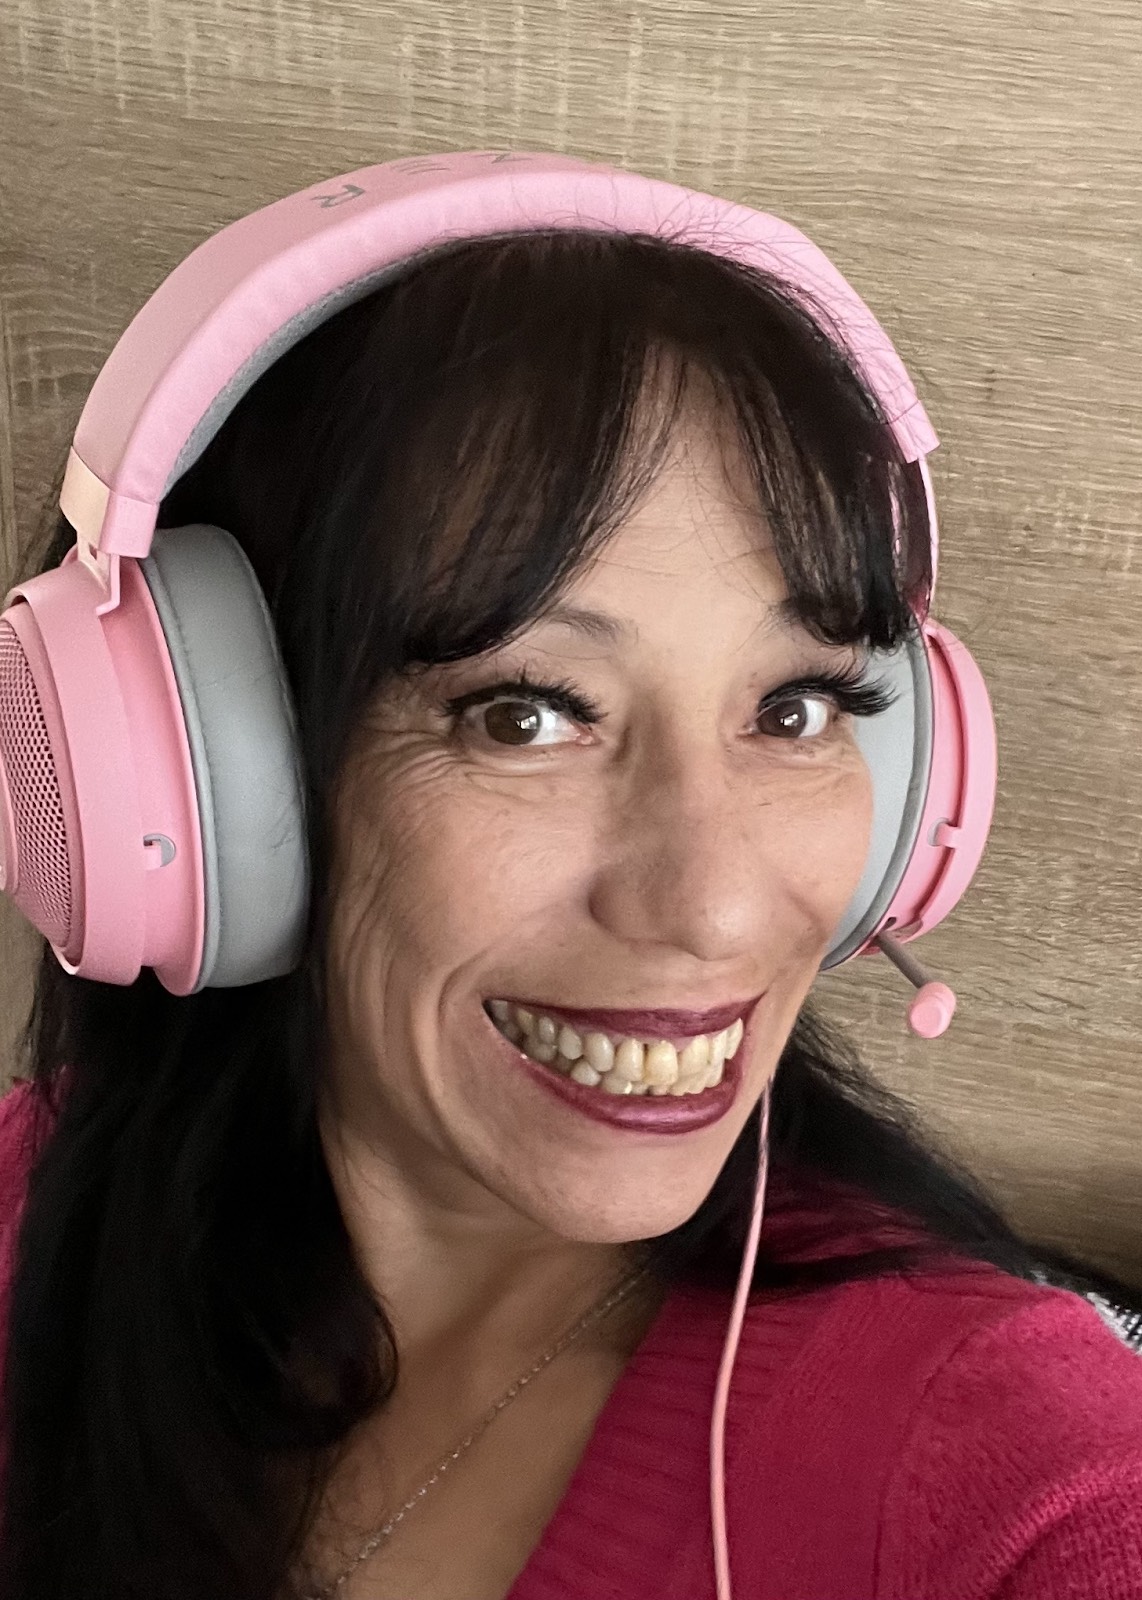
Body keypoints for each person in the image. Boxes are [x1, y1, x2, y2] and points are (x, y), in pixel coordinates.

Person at [0, 153, 1140, 1600]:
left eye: (794, 709)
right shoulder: (37, 1208)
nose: (716, 908)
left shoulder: (1014, 1462)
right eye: (524, 711)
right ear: (203, 783)